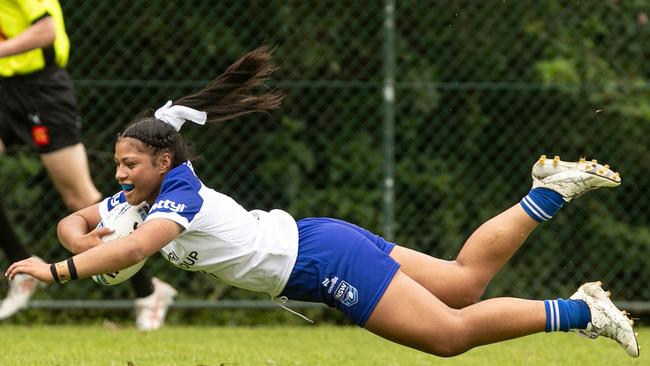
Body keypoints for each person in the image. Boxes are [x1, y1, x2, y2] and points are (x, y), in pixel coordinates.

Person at [5, 45, 639, 358]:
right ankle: (546, 194)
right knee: (462, 281)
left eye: (128, 164)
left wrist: (56, 269)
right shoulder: (138, 196)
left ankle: (582, 313)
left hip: (319, 263)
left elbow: (138, 246)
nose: (117, 174)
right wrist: (85, 241)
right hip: (317, 238)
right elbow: (74, 218)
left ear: (163, 162)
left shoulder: (178, 198)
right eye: (115, 164)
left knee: (449, 335)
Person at [0, 0, 176, 330]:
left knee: (80, 200)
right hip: (5, 88)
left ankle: (149, 291)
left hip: (42, 90)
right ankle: (23, 271)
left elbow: (46, 31)